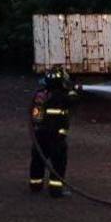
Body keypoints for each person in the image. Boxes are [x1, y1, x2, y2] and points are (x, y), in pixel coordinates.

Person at [28, 67, 79, 198]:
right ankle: (56, 190)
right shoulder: (61, 96)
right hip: (56, 135)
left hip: (39, 134)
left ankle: (35, 184)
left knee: (38, 159)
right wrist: (73, 89)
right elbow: (73, 101)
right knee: (58, 162)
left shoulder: (41, 95)